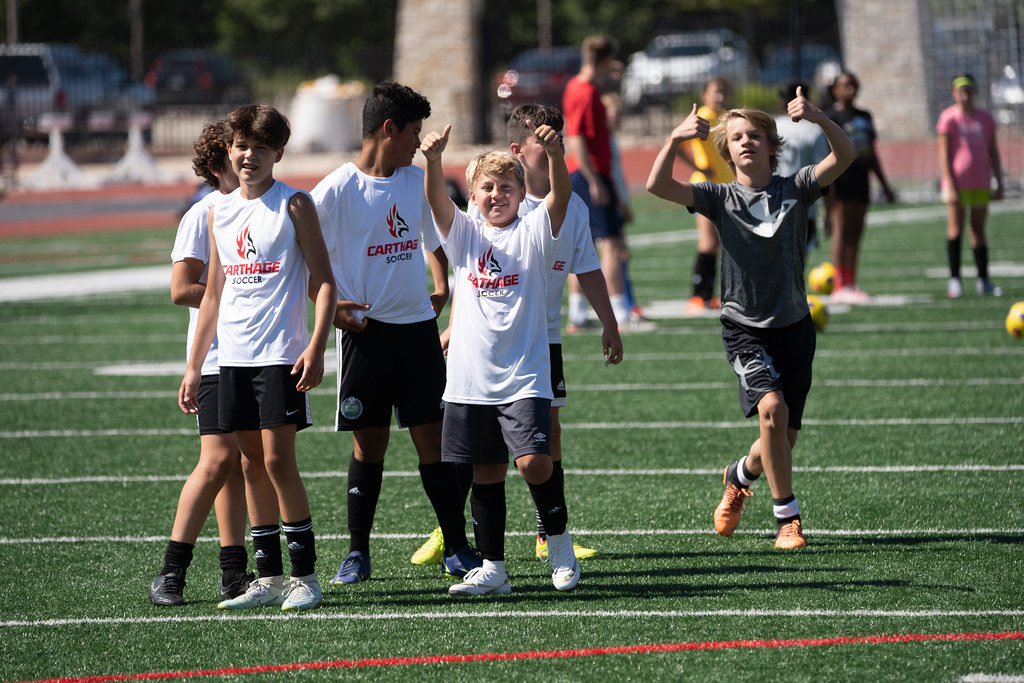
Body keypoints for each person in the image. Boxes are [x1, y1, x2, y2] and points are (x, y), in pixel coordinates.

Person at [646, 89, 856, 549]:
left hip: (796, 327)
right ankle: (788, 520)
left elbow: (846, 155)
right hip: (745, 329)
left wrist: (819, 118)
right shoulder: (719, 197)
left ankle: (739, 475)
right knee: (772, 411)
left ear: (771, 144)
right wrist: (676, 138)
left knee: (783, 437)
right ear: (727, 149)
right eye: (737, 136)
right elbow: (657, 186)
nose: (746, 142)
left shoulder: (796, 187)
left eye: (755, 135)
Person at [418, 104, 622, 564]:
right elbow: (436, 205)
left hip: (534, 346)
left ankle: (552, 536)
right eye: (486, 188)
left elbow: (583, 256)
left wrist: (609, 322)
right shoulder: (467, 229)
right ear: (472, 194)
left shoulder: (538, 224)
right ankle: (468, 543)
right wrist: (432, 162)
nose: (496, 194)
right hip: (475, 362)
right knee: (481, 461)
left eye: (504, 187)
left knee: (539, 448)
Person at [309, 81, 477, 585]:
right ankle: (357, 553)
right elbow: (299, 252)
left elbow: (435, 233)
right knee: (369, 447)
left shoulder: (415, 180)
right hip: (366, 337)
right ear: (388, 130)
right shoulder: (336, 187)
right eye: (413, 133)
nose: (416, 142)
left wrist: (442, 283)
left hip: (417, 333)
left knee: (434, 442)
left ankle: (457, 547)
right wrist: (332, 304)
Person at [178, 104, 337, 611]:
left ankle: (304, 577)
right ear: (230, 149)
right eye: (242, 146)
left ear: (278, 155)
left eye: (261, 149)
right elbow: (212, 298)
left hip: (282, 357)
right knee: (248, 465)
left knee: (276, 461)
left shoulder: (295, 204)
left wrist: (316, 346)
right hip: (232, 362)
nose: (249, 157)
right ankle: (266, 578)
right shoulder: (217, 210)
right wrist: (193, 365)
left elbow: (326, 282)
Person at [149, 120, 254, 606]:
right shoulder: (204, 213)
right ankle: (171, 571)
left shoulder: (255, 208)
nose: (247, 159)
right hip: (215, 356)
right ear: (216, 165)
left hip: (253, 352)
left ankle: (234, 572)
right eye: (236, 153)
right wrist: (244, 293)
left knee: (237, 463)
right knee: (215, 461)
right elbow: (181, 289)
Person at [562, 35, 632, 330]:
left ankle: (578, 313)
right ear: (603, 61)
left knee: (582, 244)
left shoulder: (578, 87)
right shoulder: (585, 91)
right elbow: (576, 138)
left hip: (585, 172)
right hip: (589, 172)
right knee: (612, 244)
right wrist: (595, 181)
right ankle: (620, 311)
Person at [824, 71, 896, 304]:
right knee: (841, 231)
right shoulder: (830, 116)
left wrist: (885, 185)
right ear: (835, 90)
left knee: (856, 232)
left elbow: (872, 153)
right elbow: (826, 154)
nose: (851, 90)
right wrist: (828, 191)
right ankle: (838, 284)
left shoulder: (864, 116)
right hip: (840, 179)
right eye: (845, 85)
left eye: (854, 85)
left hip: (861, 180)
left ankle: (851, 282)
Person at [937, 74, 1004, 298]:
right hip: (957, 183)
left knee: (978, 231)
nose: (964, 96)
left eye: (968, 91)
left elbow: (993, 151)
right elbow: (944, 155)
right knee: (955, 229)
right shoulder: (949, 118)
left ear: (975, 92)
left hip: (980, 181)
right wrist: (951, 186)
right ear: (954, 93)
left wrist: (999, 181)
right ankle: (955, 280)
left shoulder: (985, 119)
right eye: (960, 91)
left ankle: (983, 280)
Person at [678, 77, 734, 315]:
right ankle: (697, 296)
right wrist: (699, 168)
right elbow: (679, 143)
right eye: (715, 92)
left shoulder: (726, 117)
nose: (719, 97)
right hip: (704, 187)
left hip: (724, 187)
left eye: (723, 92)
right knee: (708, 242)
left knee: (719, 244)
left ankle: (708, 295)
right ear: (705, 95)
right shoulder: (703, 116)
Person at [773, 81, 830, 253]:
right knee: (797, 266)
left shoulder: (770, 128)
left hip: (771, 204)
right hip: (803, 208)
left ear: (781, 104)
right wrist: (828, 211)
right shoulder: (813, 131)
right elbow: (826, 173)